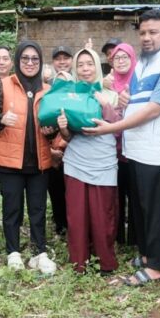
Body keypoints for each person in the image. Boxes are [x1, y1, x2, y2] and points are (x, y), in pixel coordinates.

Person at [83, 9, 160, 286]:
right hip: (138, 148)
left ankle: (158, 265)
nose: (146, 37)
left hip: (159, 150)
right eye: (142, 32)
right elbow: (134, 97)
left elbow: (154, 110)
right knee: (142, 208)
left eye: (153, 32)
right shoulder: (143, 61)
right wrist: (123, 98)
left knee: (157, 210)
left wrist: (111, 128)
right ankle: (146, 254)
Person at [0, 41, 57, 274]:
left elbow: (53, 124)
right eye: (25, 58)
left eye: (35, 59)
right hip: (9, 161)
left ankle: (39, 252)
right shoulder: (3, 85)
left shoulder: (47, 90)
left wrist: (51, 130)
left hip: (39, 162)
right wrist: (1, 119)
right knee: (12, 209)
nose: (29, 63)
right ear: (17, 61)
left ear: (40, 62)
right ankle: (13, 252)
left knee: (37, 209)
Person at [57, 48, 121, 273]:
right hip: (76, 160)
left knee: (103, 214)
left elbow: (119, 130)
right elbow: (69, 137)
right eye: (80, 65)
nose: (85, 69)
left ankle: (105, 261)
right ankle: (80, 262)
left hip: (103, 161)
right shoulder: (71, 95)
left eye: (89, 64)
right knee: (77, 214)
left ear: (97, 66)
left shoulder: (111, 94)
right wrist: (63, 128)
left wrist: (105, 105)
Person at [105, 43, 137, 246]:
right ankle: (117, 237)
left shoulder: (139, 83)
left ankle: (134, 238)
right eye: (117, 58)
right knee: (115, 196)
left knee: (134, 195)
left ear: (133, 59)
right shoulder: (105, 85)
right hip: (112, 151)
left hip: (134, 150)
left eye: (125, 57)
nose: (121, 61)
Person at [47, 45, 72, 236]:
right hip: (52, 148)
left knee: (72, 189)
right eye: (58, 58)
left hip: (73, 147)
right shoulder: (47, 87)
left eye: (66, 58)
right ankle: (60, 224)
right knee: (55, 188)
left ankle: (74, 222)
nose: (62, 62)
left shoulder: (79, 84)